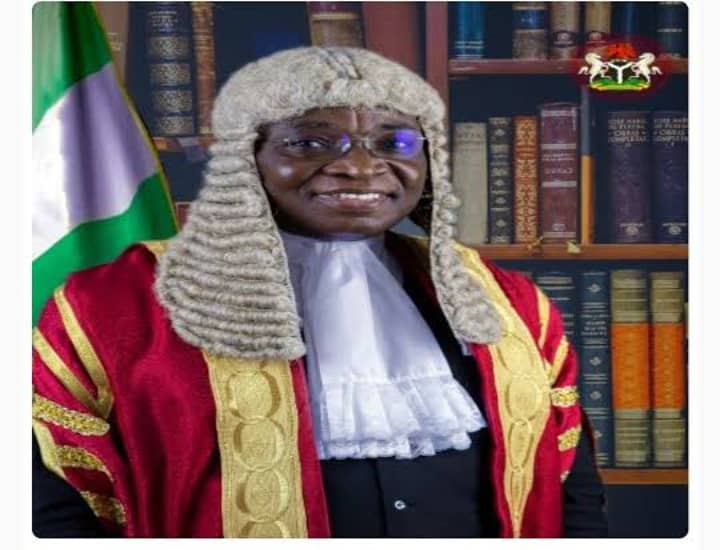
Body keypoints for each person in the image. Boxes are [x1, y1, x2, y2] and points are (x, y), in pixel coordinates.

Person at [32, 46, 607, 538]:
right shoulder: (114, 306)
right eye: (310, 142)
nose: (360, 167)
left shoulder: (506, 300)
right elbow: (52, 500)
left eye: (394, 141)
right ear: (245, 158)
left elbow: (568, 480)